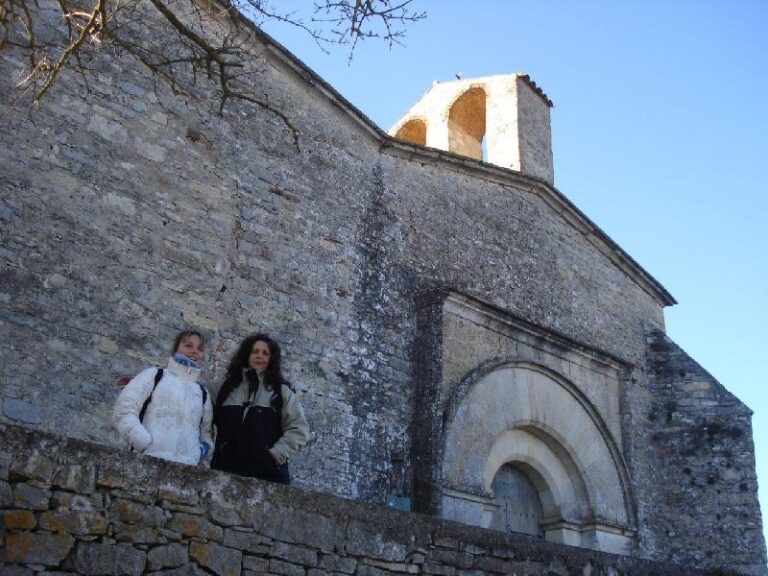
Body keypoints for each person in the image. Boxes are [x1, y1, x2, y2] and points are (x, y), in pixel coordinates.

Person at [211, 333, 309, 483]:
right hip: (225, 472)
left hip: (269, 476)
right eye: (255, 351)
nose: (259, 356)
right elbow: (194, 396)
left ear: (271, 359)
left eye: (265, 353)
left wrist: (275, 455)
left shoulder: (282, 393)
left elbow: (298, 429)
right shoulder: (223, 388)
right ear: (247, 354)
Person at [113, 330, 213, 466]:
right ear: (176, 348)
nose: (194, 351)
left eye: (199, 348)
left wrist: (200, 451)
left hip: (187, 470)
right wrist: (143, 442)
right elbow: (125, 408)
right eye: (188, 346)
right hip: (147, 461)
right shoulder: (154, 376)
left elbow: (206, 432)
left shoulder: (202, 394)